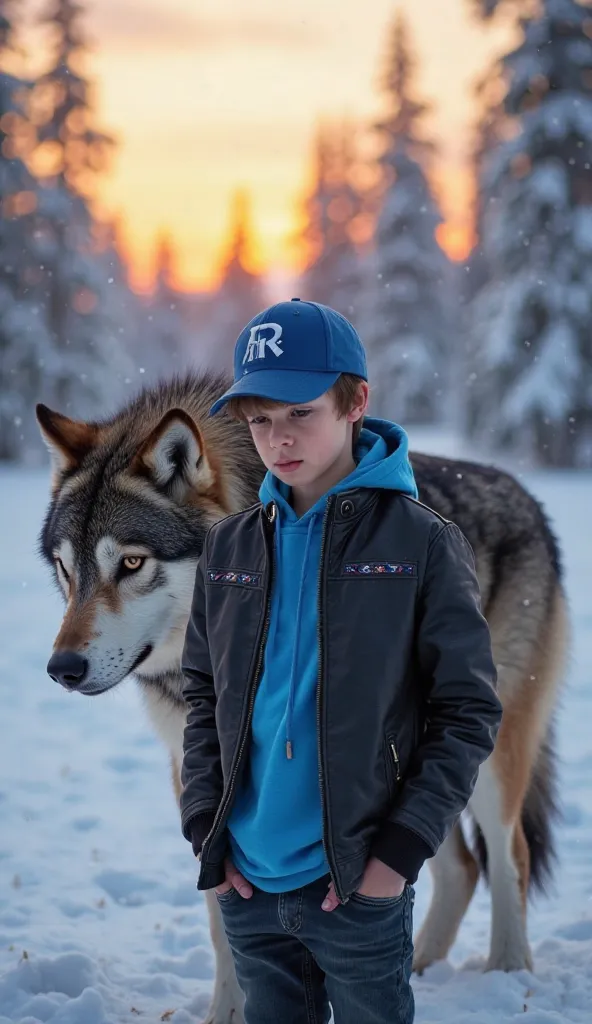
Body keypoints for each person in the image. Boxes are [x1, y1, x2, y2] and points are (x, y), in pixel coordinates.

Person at [180, 299, 502, 1024]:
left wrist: (396, 854)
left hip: (357, 886)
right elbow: (203, 695)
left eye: (299, 412)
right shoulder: (229, 548)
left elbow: (467, 709)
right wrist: (207, 825)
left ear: (356, 401)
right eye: (259, 418)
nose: (276, 438)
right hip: (248, 887)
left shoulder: (421, 543)